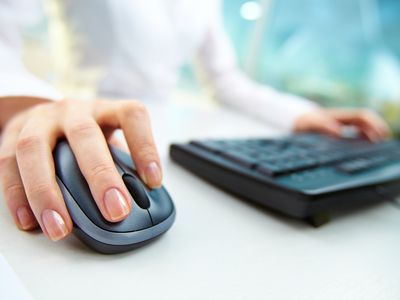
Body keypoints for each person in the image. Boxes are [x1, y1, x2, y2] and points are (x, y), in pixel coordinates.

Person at [0, 0, 389, 242]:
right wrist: (28, 106)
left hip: (159, 141)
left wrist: (305, 114)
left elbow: (225, 79)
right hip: (84, 122)